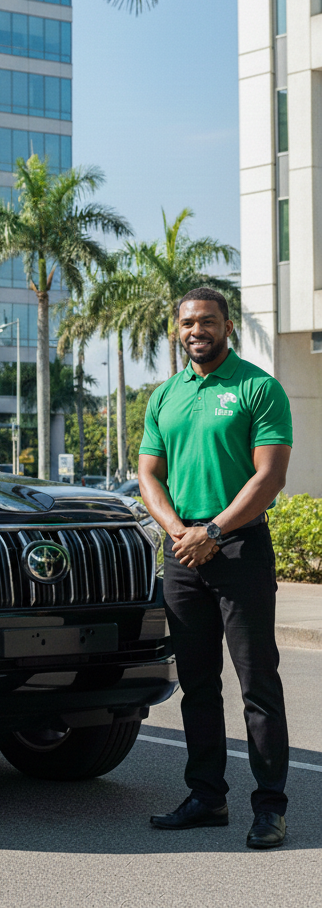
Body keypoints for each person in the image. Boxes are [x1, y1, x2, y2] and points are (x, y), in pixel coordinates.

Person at [137, 287, 292, 850]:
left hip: (239, 548)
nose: (196, 330)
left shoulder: (258, 388)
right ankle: (207, 797)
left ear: (227, 325)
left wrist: (215, 532)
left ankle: (270, 807)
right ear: (177, 330)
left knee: (258, 683)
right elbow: (149, 474)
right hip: (183, 554)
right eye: (186, 323)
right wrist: (179, 532)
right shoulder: (165, 396)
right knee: (197, 685)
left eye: (207, 321)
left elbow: (268, 478)